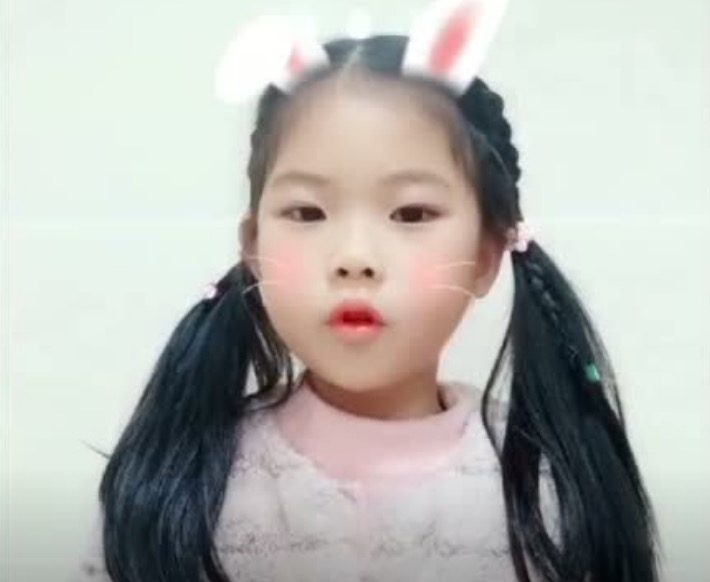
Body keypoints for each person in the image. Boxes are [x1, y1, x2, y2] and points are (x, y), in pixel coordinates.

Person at [71, 1, 660, 580]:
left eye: (411, 213)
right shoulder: (181, 481)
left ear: (486, 253)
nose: (354, 258)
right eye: (307, 212)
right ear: (253, 247)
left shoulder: (552, 489)